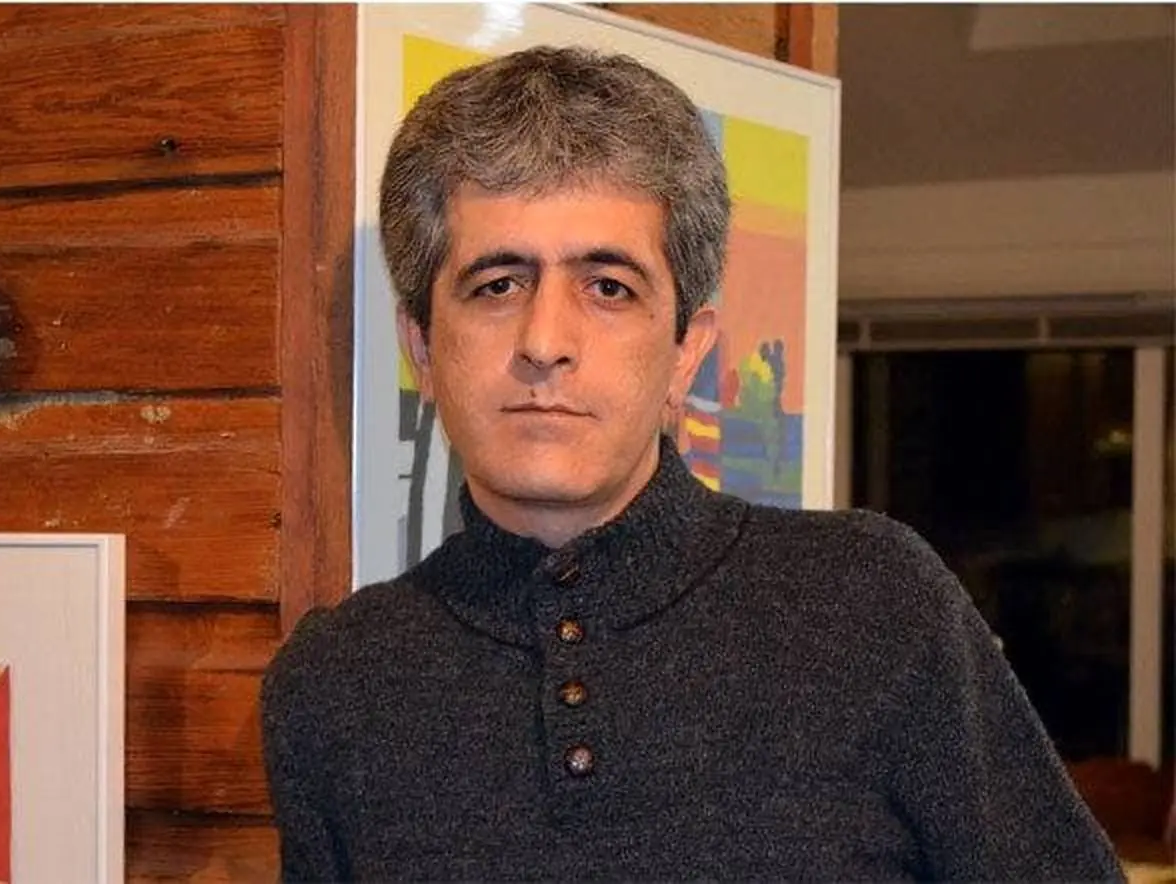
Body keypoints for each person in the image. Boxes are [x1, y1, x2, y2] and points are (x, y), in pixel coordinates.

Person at [261, 45, 1123, 882]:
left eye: (608, 286)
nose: (545, 341)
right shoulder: (336, 686)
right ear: (421, 346)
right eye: (498, 284)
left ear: (687, 352)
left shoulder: (874, 607)